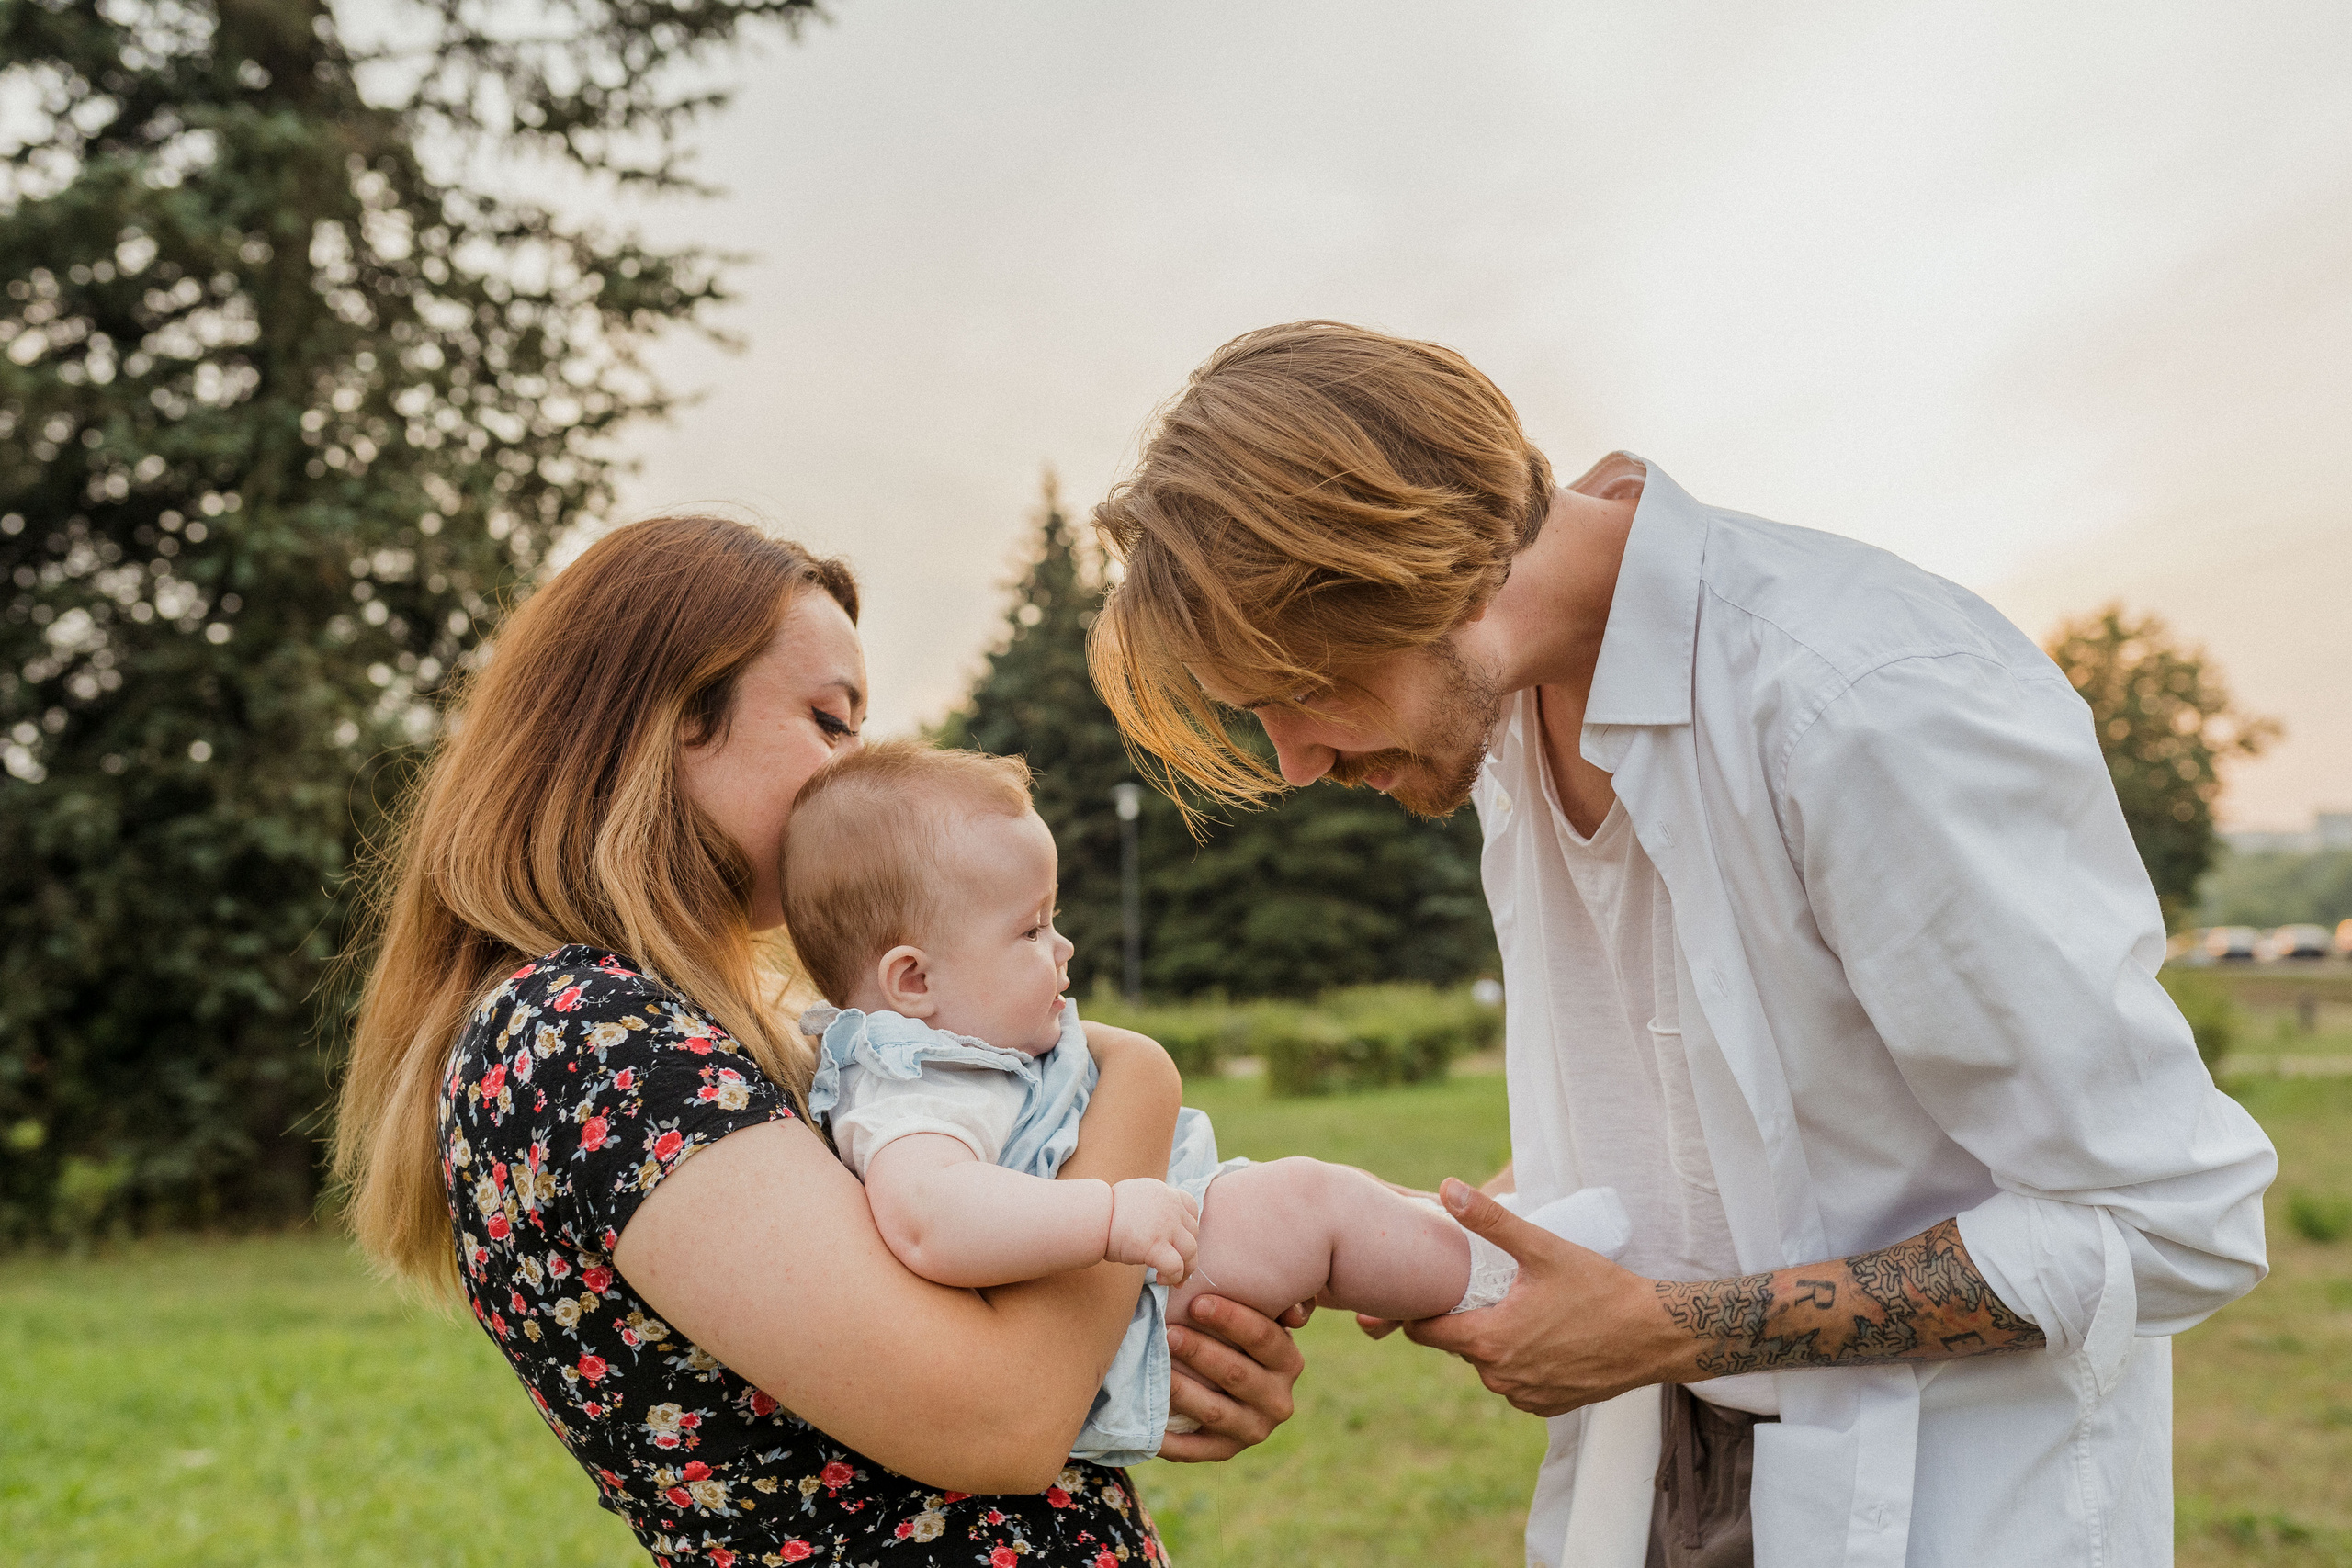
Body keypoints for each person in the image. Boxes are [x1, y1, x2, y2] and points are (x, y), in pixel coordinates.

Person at [1083, 321, 2278, 1568]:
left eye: (1299, 684)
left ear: (1413, 567)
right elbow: (1714, 1147)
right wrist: (1334, 1233)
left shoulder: (1864, 701)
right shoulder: (1510, 725)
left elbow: (2170, 1220)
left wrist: (1673, 1327)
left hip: (1940, 1508)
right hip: (1647, 1483)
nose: (1295, 760)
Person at [330, 515, 1309, 1567]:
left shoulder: (668, 1032)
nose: (859, 769)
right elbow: (1001, 1419)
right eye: (830, 721)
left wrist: (1140, 1362)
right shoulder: (587, 1039)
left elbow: (984, 1352)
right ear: (666, 720)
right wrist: (1135, 1076)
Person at [777, 739, 1634, 1464]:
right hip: (1118, 1294)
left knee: (1343, 1199)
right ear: (914, 979)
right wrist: (1109, 1215)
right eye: (1031, 929)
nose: (1062, 944)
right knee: (1312, 1203)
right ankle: (1513, 1274)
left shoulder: (942, 1054)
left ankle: (1512, 1228)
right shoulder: (913, 1085)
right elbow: (931, 1216)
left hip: (1130, 1261)